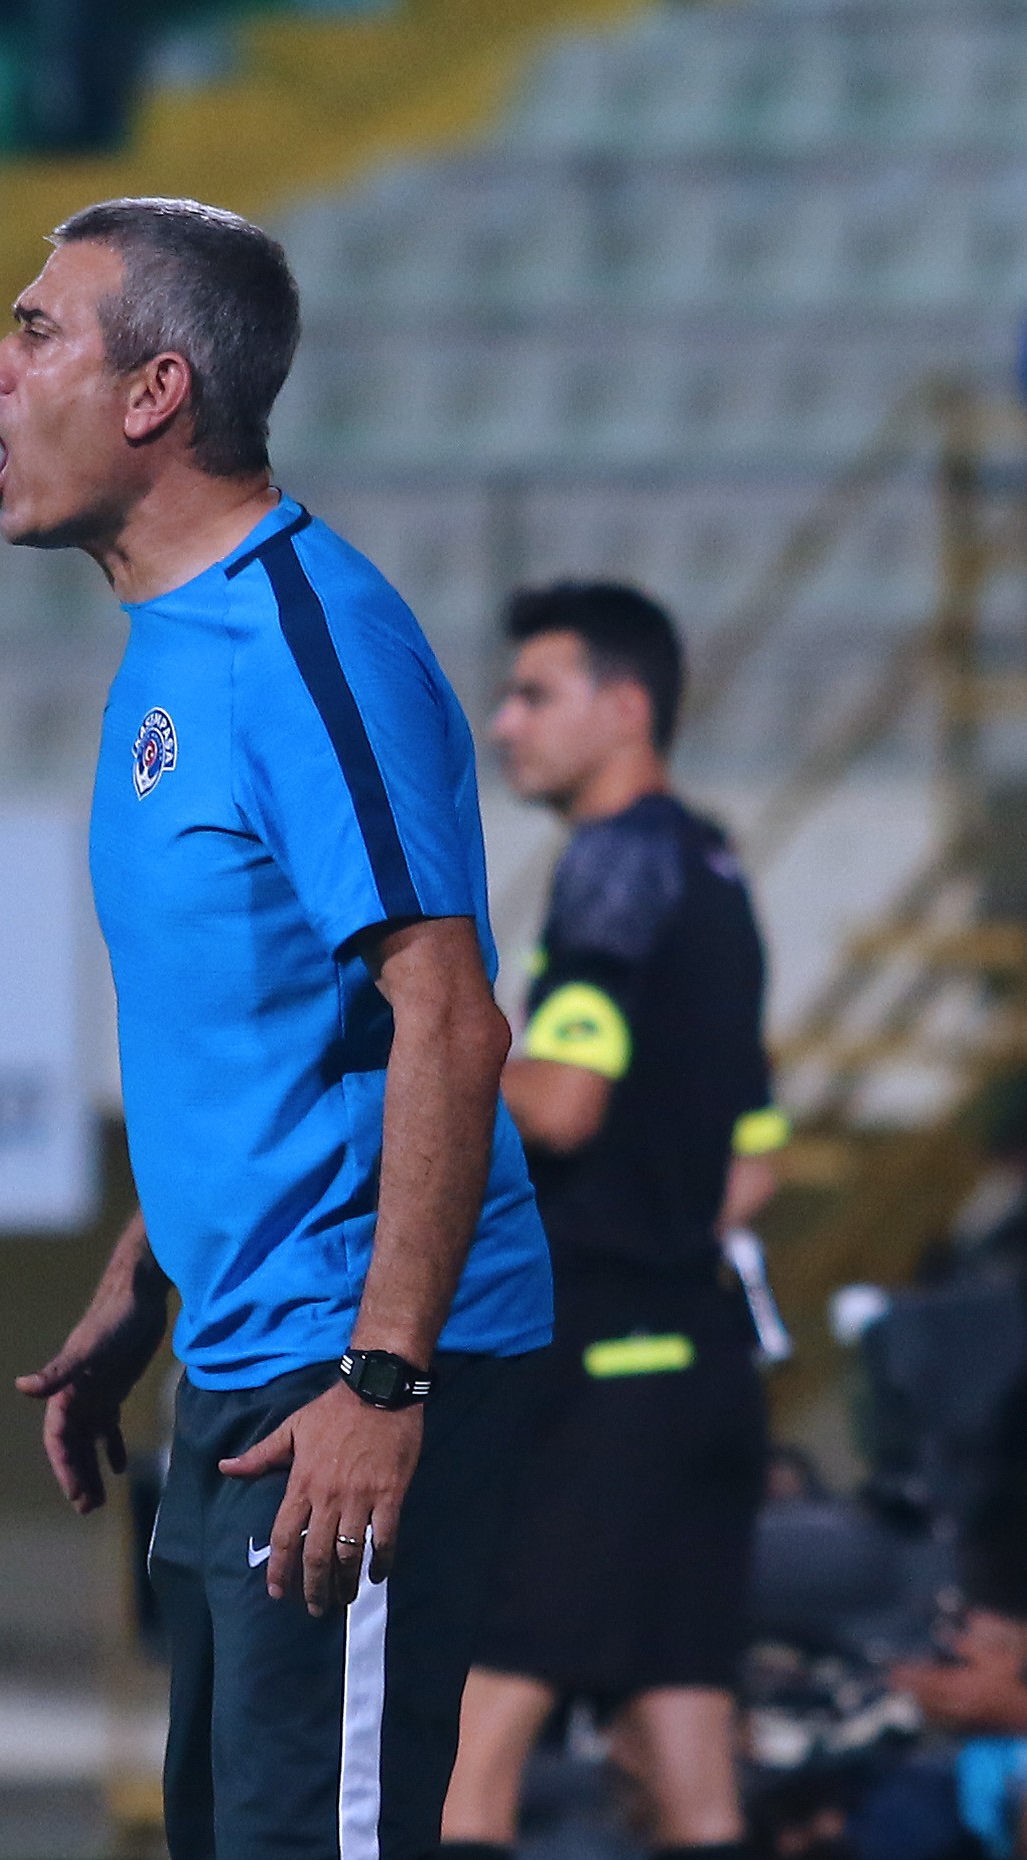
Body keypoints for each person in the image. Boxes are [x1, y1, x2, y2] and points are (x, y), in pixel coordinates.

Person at [0, 196, 553, 1860]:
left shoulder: (307, 642)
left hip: (346, 1367)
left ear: (153, 393)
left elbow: (448, 1017)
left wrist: (383, 1379)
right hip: (244, 1357)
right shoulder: (176, 643)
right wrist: (146, 1271)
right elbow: (272, 1022)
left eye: (35, 331)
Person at [440, 582, 788, 1860]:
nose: (503, 723)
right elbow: (754, 1165)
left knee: (462, 1778)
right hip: (702, 1369)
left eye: (534, 695)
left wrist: (417, 1049)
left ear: (627, 707)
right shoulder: (714, 865)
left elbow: (566, 1103)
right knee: (695, 1794)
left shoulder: (614, 863)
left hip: (603, 1376)